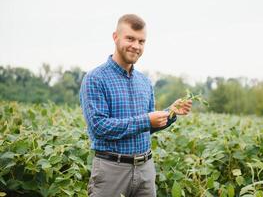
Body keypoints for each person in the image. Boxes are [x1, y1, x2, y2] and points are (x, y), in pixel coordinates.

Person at [79, 14, 192, 197]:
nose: (136, 46)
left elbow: (146, 127)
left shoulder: (144, 82)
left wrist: (170, 113)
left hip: (145, 170)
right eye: (130, 38)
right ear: (115, 37)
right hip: (111, 170)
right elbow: (99, 127)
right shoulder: (95, 79)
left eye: (141, 41)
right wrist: (147, 119)